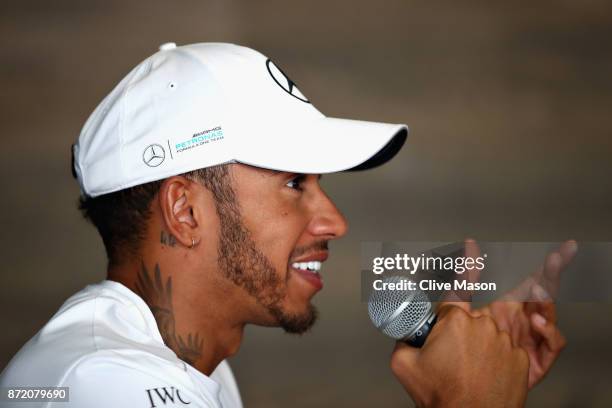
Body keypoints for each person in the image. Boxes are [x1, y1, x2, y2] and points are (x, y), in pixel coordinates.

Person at [0, 42, 574, 407]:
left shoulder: (190, 369)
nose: (335, 222)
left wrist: (473, 384)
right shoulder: (103, 386)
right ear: (186, 210)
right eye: (295, 184)